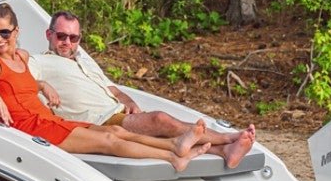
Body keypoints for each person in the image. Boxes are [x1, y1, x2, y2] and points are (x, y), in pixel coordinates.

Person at [0, 4, 210, 171]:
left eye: (4, 32)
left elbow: (21, 84)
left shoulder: (23, 57)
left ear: (16, 32)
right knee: (108, 140)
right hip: (30, 130)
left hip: (49, 119)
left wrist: (42, 83)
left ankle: (175, 145)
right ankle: (172, 156)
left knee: (116, 129)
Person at [30, 10, 256, 169]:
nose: (67, 42)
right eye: (61, 36)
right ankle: (228, 138)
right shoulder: (38, 62)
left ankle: (222, 151)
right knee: (160, 120)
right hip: (98, 121)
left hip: (118, 111)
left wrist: (127, 100)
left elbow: (113, 89)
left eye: (73, 37)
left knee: (161, 125)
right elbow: (15, 79)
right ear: (49, 35)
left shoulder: (84, 61)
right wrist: (42, 85)